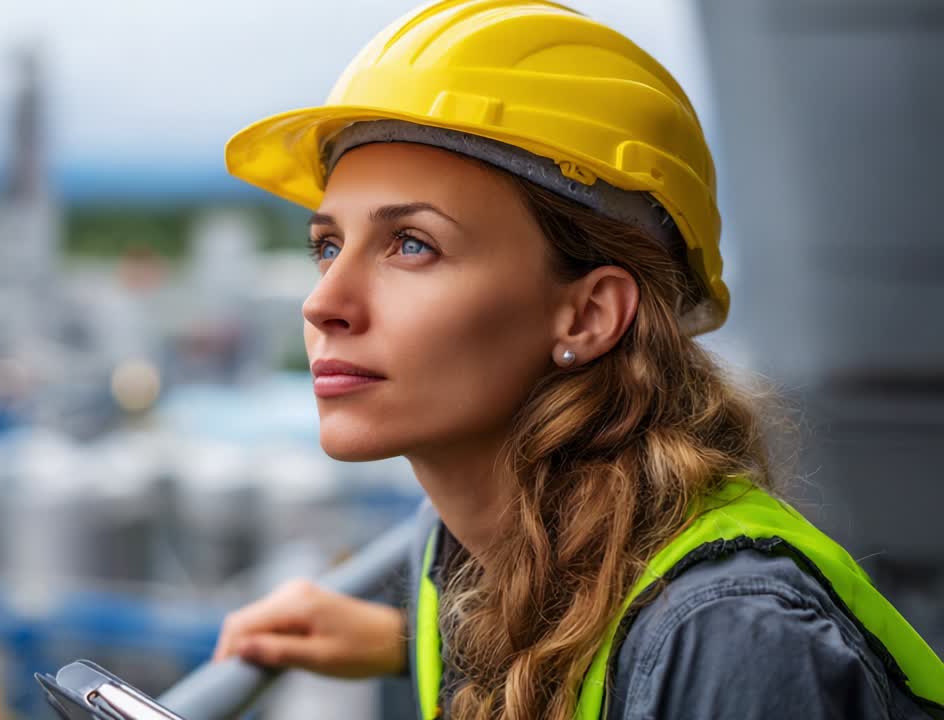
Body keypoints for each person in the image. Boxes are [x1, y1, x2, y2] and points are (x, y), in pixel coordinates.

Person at [210, 1, 944, 718]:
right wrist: (411, 639)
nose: (322, 304)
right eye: (328, 246)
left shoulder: (736, 640)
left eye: (412, 245)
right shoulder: (470, 560)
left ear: (590, 315)